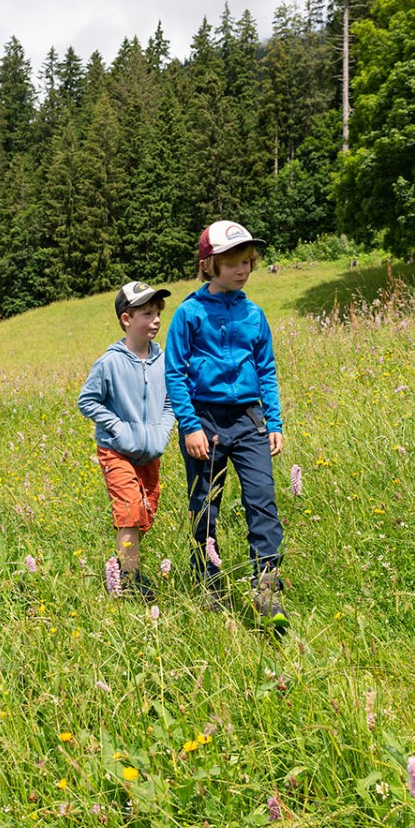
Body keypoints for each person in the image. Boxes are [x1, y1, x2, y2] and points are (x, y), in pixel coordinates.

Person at [164, 221, 288, 628]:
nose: (242, 270)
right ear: (209, 265)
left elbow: (266, 369)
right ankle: (207, 581)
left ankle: (266, 584)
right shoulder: (189, 314)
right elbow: (176, 374)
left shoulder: (254, 314)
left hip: (249, 419)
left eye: (247, 262)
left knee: (262, 500)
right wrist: (190, 426)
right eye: (232, 262)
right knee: (205, 506)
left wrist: (274, 421)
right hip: (205, 421)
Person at [78, 281, 175, 600]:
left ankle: (125, 567)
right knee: (131, 509)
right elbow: (88, 401)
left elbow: (170, 401)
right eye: (147, 313)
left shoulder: (164, 361)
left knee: (144, 514)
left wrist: (163, 430)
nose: (156, 319)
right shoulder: (110, 362)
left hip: (151, 451)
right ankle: (128, 583)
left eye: (158, 312)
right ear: (126, 319)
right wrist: (118, 428)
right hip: (116, 450)